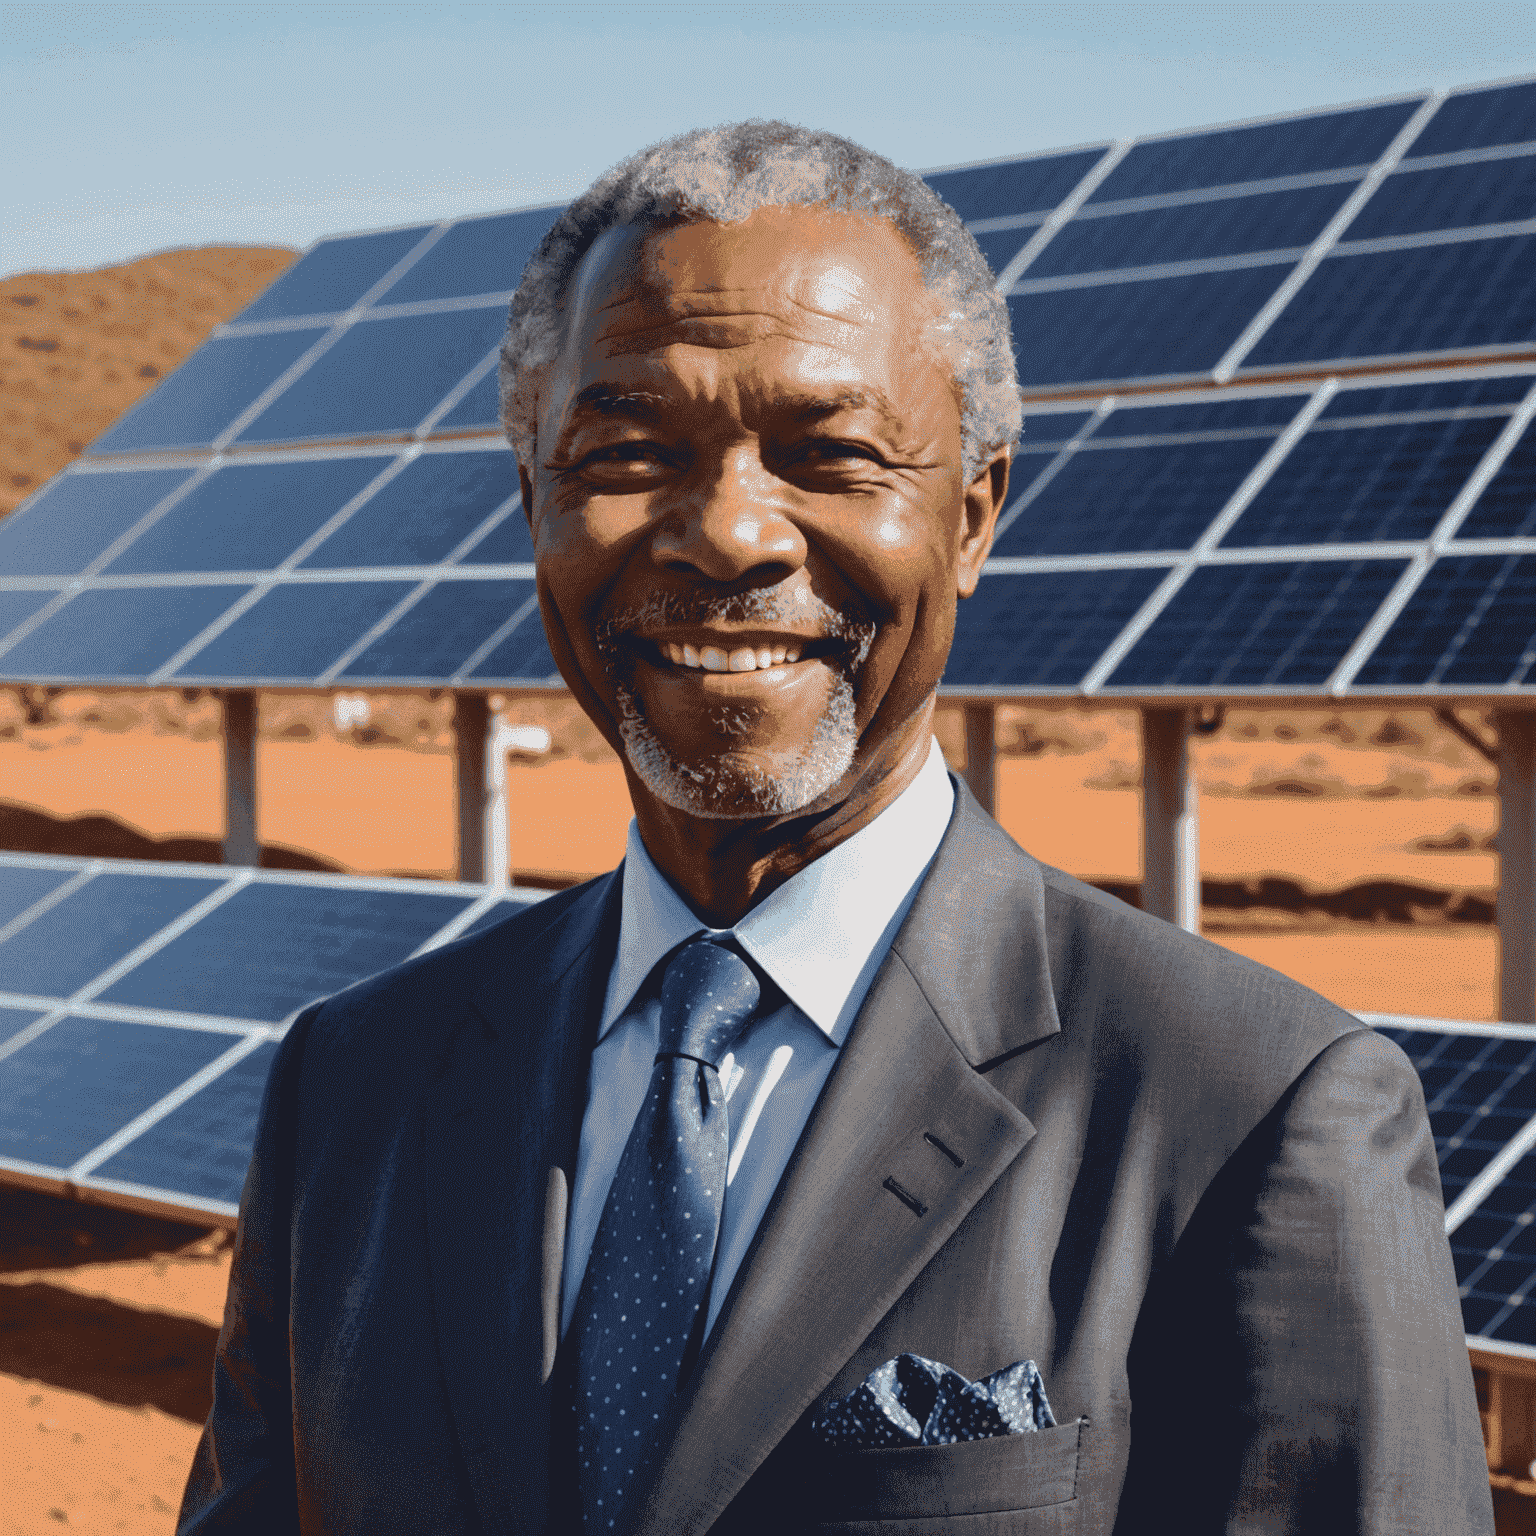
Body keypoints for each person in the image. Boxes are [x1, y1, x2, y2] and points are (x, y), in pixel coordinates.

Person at [177, 122, 1492, 1535]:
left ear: (973, 517)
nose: (728, 532)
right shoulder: (355, 1088)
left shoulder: (1249, 1114)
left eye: (830, 453)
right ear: (534, 506)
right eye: (626, 450)